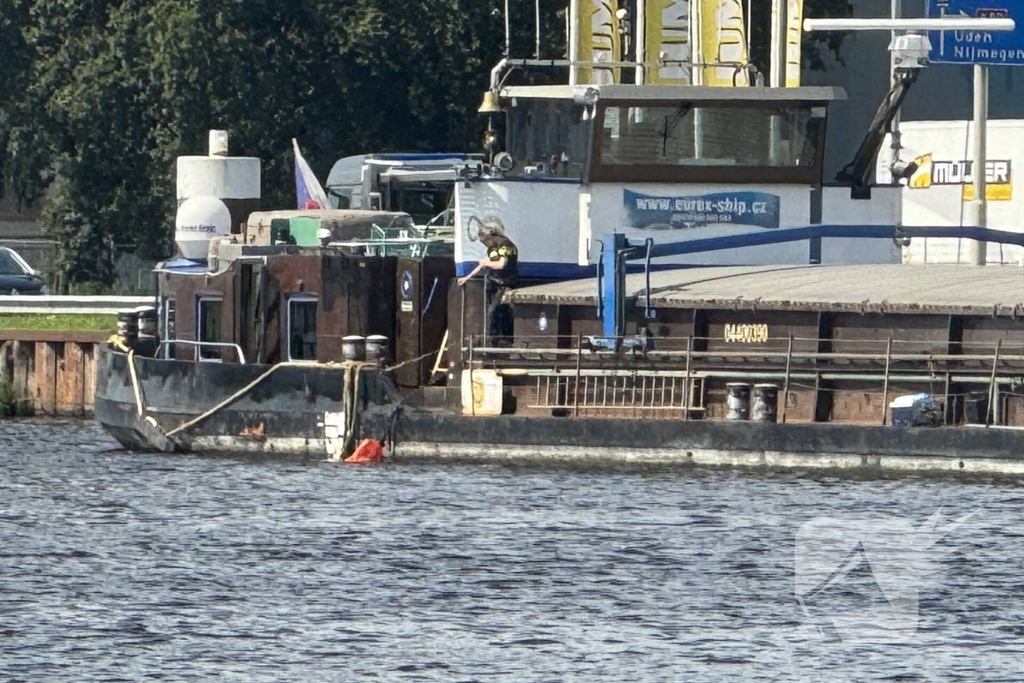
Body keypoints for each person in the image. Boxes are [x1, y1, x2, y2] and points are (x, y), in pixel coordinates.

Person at [457, 217, 519, 343]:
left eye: (484, 241)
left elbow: (502, 264)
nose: (484, 244)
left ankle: (498, 341)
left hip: (505, 284)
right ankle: (493, 340)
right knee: (490, 312)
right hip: (492, 282)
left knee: (496, 311)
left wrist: (487, 262)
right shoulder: (492, 248)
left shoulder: (506, 246)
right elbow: (482, 265)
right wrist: (466, 277)